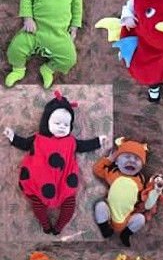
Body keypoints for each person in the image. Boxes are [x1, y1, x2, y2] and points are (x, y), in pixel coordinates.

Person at [4, 90, 108, 234]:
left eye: (66, 124)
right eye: (57, 123)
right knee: (38, 206)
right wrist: (13, 138)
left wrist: (97, 142)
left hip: (64, 183)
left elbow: (84, 145)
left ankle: (59, 226)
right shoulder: (37, 139)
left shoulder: (71, 141)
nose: (61, 127)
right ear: (46, 122)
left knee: (69, 207)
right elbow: (24, 143)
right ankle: (45, 224)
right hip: (39, 183)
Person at [93, 137, 163, 247]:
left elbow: (144, 194)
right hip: (109, 214)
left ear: (142, 166)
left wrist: (153, 186)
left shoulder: (140, 179)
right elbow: (97, 170)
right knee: (100, 206)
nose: (132, 161)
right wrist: (109, 159)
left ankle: (126, 234)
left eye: (137, 159)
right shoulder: (113, 173)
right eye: (127, 157)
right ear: (117, 161)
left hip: (127, 218)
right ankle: (104, 228)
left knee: (141, 219)